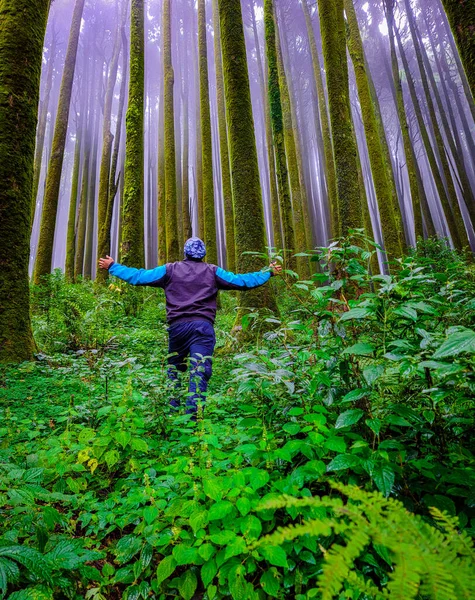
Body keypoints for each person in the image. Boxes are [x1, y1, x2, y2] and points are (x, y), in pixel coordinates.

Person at [99, 237, 282, 417]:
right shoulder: (212, 271)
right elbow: (242, 282)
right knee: (199, 370)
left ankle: (172, 411)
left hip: (177, 328)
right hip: (203, 328)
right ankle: (193, 418)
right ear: (203, 254)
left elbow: (139, 277)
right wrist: (268, 272)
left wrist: (113, 267)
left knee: (174, 368)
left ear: (185, 252)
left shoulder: (169, 269)